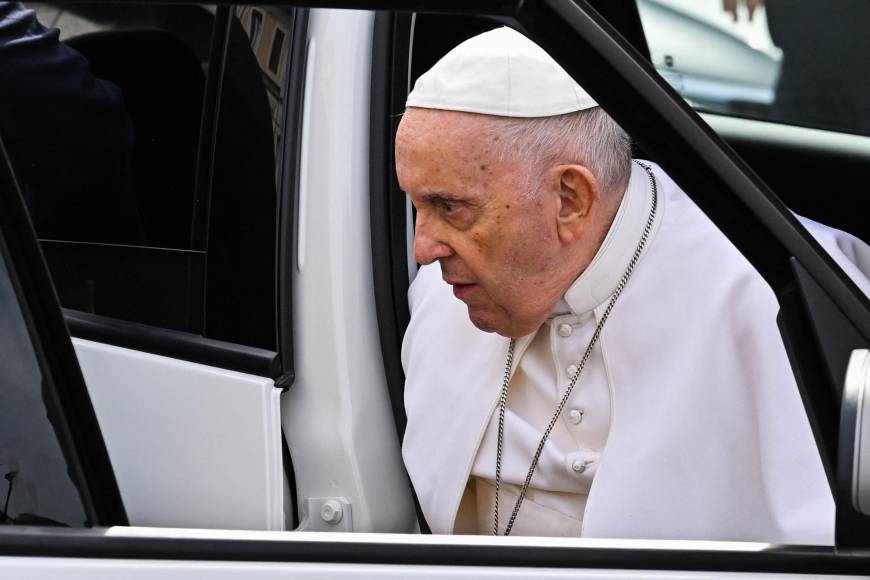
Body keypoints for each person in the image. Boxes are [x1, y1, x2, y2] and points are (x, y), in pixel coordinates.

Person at [397, 27, 870, 543]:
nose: (424, 249)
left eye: (451, 208)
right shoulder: (443, 294)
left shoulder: (776, 296)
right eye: (416, 206)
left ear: (571, 198)